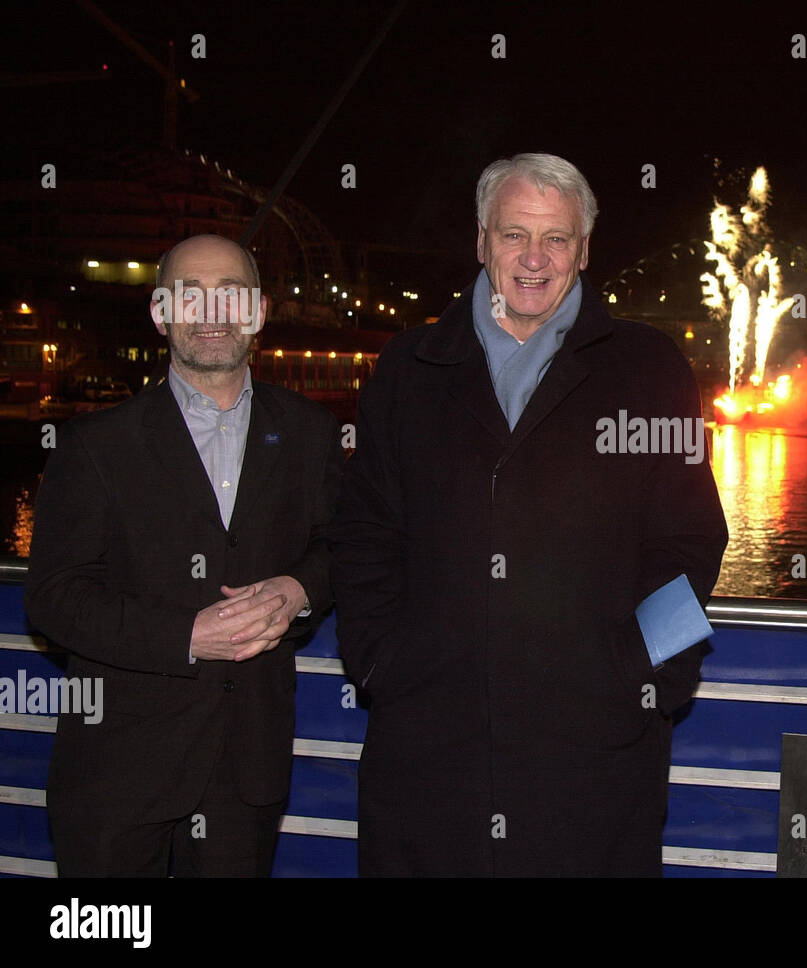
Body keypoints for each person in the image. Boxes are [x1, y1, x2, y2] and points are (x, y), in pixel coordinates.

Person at [330, 152, 727, 876]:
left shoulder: (648, 367)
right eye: (515, 235)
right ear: (481, 241)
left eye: (557, 239)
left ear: (584, 249)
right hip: (428, 748)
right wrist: (382, 662)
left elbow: (692, 543)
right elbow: (365, 535)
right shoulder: (409, 367)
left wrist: (641, 678)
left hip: (594, 753)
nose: (535, 259)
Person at [24, 234, 343, 876]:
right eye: (191, 296)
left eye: (231, 295)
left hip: (244, 773)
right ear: (160, 311)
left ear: (258, 313)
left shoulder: (312, 433)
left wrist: (298, 590)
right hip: (116, 777)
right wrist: (187, 635)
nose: (212, 313)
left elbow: (342, 545)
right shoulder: (95, 446)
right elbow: (54, 598)